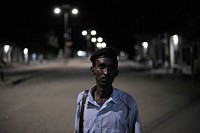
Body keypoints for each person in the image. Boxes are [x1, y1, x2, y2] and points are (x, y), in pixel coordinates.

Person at [74, 47, 143, 133]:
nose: (106, 72)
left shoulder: (128, 102)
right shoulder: (83, 100)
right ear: (93, 70)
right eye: (102, 67)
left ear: (116, 72)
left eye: (111, 68)